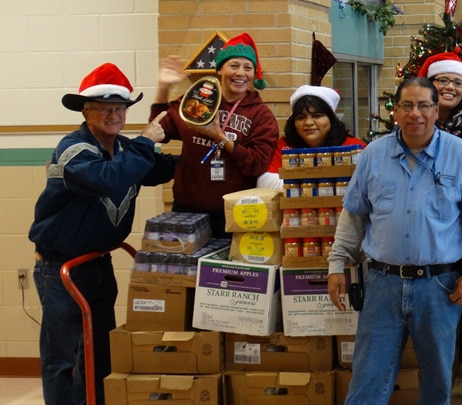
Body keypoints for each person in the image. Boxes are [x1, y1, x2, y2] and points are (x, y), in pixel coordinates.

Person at [325, 77, 462, 404]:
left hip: (440, 287)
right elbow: (353, 216)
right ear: (395, 111)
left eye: (423, 105)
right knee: (367, 379)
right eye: (407, 105)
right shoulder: (374, 156)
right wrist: (336, 265)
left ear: (435, 110)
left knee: (437, 382)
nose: (415, 113)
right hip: (381, 284)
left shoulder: (461, 156)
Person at [30, 63, 177, 404]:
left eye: (119, 109)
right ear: (86, 111)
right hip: (60, 270)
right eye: (104, 109)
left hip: (97, 264)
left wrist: (216, 149)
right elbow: (107, 178)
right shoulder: (74, 150)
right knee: (64, 359)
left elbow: (164, 168)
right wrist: (145, 141)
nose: (114, 116)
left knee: (99, 354)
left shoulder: (126, 149)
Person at [153, 32, 279, 237]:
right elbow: (160, 128)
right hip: (187, 210)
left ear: (254, 75)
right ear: (220, 69)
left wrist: (220, 136)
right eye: (234, 66)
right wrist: (163, 87)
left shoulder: (261, 115)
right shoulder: (200, 98)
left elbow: (257, 165)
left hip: (236, 212)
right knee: (187, 269)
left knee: (225, 270)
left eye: (248, 68)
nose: (240, 73)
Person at [257, 85, 366, 189]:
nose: (308, 122)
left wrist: (296, 181)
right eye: (301, 117)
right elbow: (265, 181)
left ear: (331, 119)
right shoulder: (284, 145)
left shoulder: (354, 146)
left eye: (317, 116)